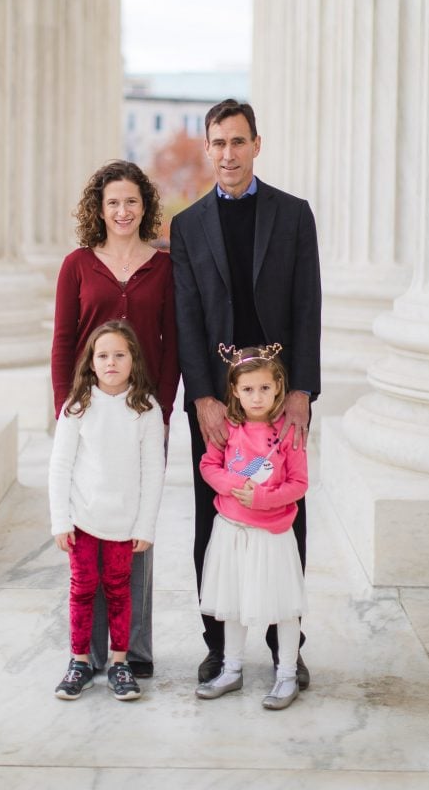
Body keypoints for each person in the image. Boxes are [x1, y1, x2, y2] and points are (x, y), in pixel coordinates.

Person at [169, 99, 321, 687]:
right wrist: (202, 396)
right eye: (218, 143)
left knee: (285, 512)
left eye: (238, 141)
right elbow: (186, 317)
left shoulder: (294, 215)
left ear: (257, 144)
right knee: (215, 515)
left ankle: (289, 643)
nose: (227, 154)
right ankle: (218, 642)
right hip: (217, 400)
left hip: (279, 393)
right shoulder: (186, 226)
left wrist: (303, 388)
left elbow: (308, 305)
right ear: (207, 149)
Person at [51, 160, 180, 677]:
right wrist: (66, 407)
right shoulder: (77, 265)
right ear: (98, 210)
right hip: (86, 412)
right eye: (112, 203)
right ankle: (93, 654)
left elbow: (173, 346)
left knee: (135, 528)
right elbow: (63, 340)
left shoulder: (165, 267)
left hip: (142, 414)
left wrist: (162, 409)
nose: (122, 211)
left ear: (144, 205)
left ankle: (135, 652)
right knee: (89, 526)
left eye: (131, 201)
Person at [49, 320, 166, 702]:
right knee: (82, 590)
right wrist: (60, 520)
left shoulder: (146, 409)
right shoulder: (77, 406)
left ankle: (120, 663)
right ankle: (79, 661)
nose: (111, 362)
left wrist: (145, 524)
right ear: (91, 362)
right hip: (83, 520)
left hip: (125, 522)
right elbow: (60, 466)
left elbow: (153, 472)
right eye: (103, 355)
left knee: (119, 591)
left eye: (120, 354)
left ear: (134, 360)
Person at [195, 344, 308, 710]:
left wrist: (262, 500)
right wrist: (231, 485)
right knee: (234, 602)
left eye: (264, 388)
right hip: (232, 530)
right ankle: (231, 668)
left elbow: (299, 483)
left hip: (272, 532)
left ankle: (287, 673)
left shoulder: (287, 432)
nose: (256, 396)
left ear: (278, 387)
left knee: (285, 606)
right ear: (235, 391)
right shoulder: (228, 428)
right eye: (247, 389)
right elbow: (209, 465)